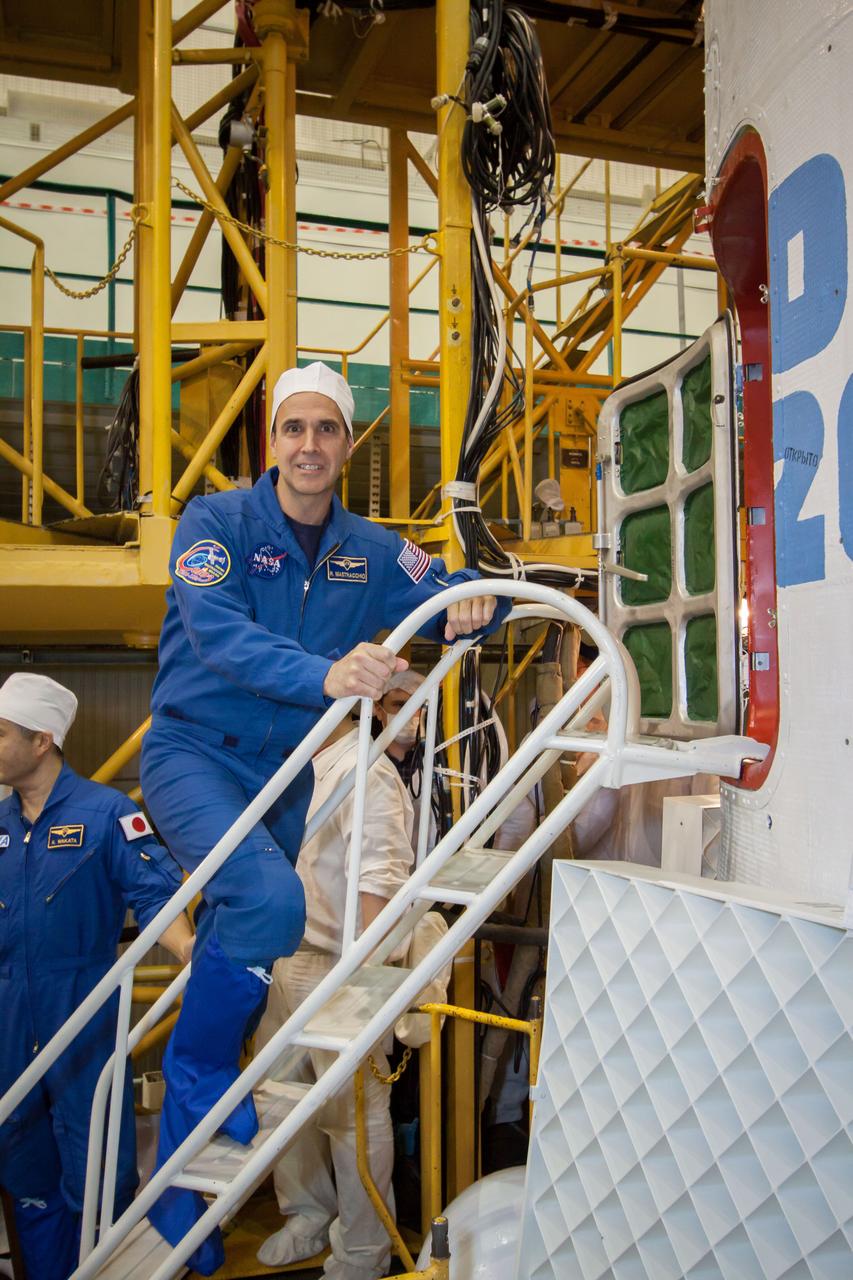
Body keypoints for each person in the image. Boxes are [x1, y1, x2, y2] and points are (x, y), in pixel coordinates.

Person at [140, 362, 509, 1273]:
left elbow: (454, 592)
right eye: (293, 429)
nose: (309, 446)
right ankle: (201, 1081)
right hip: (194, 750)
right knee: (265, 903)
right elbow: (218, 633)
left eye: (326, 430)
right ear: (272, 441)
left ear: (348, 445)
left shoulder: (372, 550)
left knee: (271, 947)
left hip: (287, 771)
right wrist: (325, 676)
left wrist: (477, 599)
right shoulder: (216, 524)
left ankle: (323, 1212)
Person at [0, 673, 192, 1280]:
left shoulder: (106, 813)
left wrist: (192, 952)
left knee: (98, 1170)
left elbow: (156, 893)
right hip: (7, 1022)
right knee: (24, 1171)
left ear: (42, 741)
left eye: (0, 732)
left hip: (82, 1017)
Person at [253, 678, 422, 1278]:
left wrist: (373, 985)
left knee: (356, 1117)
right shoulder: (303, 768)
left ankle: (363, 1249)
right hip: (289, 956)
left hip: (341, 968)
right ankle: (306, 1213)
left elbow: (382, 882)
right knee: (280, 1098)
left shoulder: (366, 772)